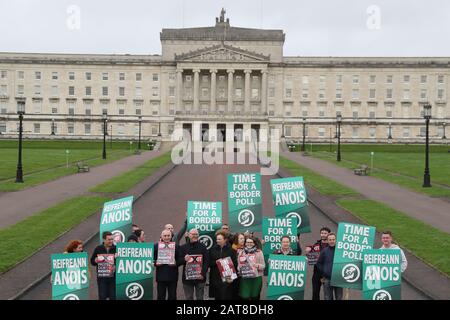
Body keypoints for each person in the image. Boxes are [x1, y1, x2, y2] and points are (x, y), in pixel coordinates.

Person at [179, 228, 210, 300]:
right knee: (189, 297)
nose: (195, 236)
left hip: (200, 278)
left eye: (196, 234)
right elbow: (178, 261)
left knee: (200, 297)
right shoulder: (183, 247)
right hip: (187, 279)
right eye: (193, 234)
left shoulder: (203, 247)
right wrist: (184, 259)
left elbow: (206, 261)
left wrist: (203, 273)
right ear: (189, 235)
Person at [154, 229, 183, 300]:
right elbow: (152, 259)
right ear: (161, 236)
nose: (166, 237)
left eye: (168, 235)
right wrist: (156, 263)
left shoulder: (176, 246)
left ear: (171, 236)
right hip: (161, 276)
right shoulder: (156, 246)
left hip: (172, 276)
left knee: (172, 296)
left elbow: (181, 259)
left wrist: (176, 263)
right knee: (160, 296)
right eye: (165, 236)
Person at [209, 230, 237, 300]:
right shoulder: (212, 250)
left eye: (219, 239)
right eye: (217, 239)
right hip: (215, 279)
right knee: (217, 297)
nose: (217, 240)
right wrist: (216, 262)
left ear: (225, 240)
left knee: (227, 297)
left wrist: (232, 277)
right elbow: (209, 263)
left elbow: (235, 264)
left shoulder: (231, 250)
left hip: (227, 279)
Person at [305, 226, 330, 300]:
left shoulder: (332, 245)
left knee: (328, 294)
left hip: (328, 274)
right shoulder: (316, 244)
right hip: (317, 273)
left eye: (325, 233)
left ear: (329, 234)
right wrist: (308, 254)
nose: (323, 234)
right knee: (315, 293)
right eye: (322, 233)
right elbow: (311, 258)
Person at [90, 231, 117, 300]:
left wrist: (117, 259)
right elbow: (92, 261)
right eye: (109, 239)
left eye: (112, 239)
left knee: (113, 297)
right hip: (102, 277)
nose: (111, 241)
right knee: (102, 296)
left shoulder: (116, 249)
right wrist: (95, 260)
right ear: (104, 239)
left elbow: (121, 263)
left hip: (113, 277)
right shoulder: (98, 248)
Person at [316, 233, 342, 300]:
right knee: (327, 298)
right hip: (327, 279)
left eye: (333, 239)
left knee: (339, 297)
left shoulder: (341, 251)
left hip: (338, 279)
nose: (332, 241)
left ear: (336, 240)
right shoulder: (324, 251)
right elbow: (318, 263)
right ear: (327, 240)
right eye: (330, 240)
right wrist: (324, 272)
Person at [231, 233, 245, 298]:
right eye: (241, 238)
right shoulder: (232, 249)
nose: (243, 240)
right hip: (234, 275)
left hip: (244, 274)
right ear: (237, 239)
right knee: (235, 293)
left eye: (243, 238)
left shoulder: (246, 249)